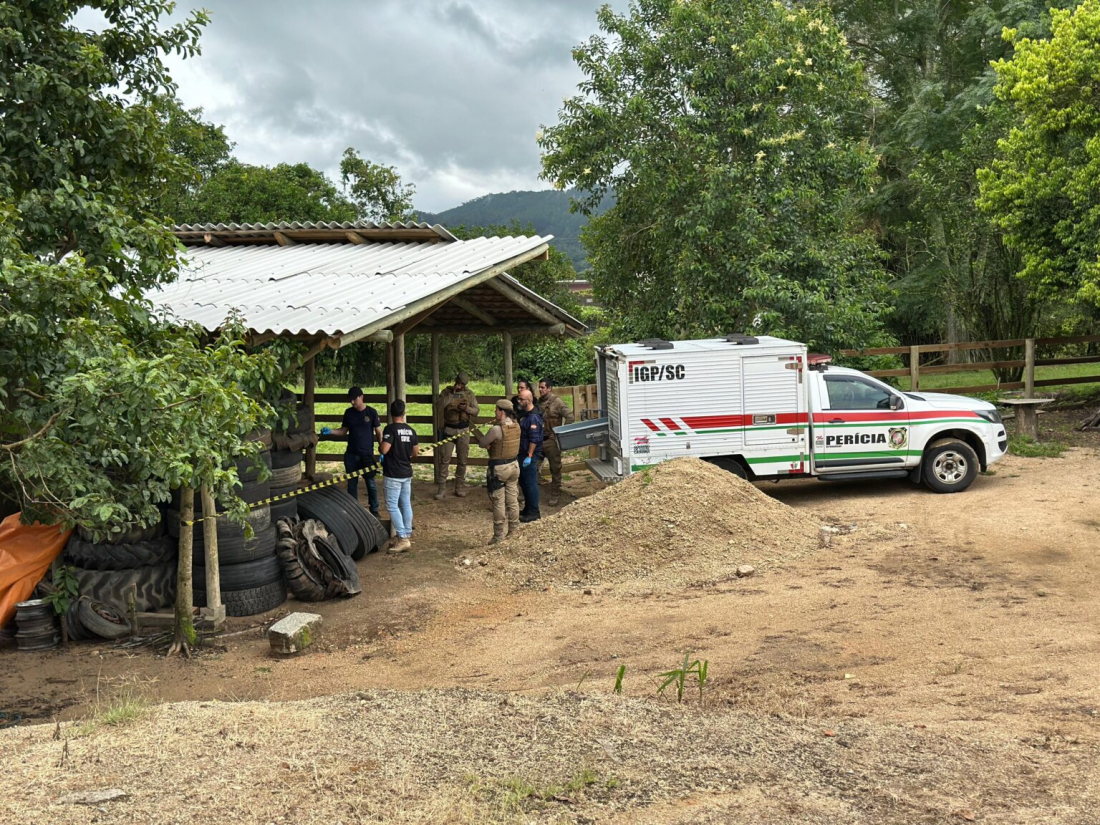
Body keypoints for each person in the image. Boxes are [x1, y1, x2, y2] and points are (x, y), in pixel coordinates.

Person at [321, 387, 381, 517]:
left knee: (371, 484)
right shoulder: (348, 413)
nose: (352, 402)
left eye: (354, 399)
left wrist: (382, 450)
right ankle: (354, 511)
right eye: (350, 400)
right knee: (352, 485)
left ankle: (374, 510)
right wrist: (330, 431)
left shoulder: (371, 413)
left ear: (361, 397)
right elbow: (343, 431)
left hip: (367, 455)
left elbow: (379, 432)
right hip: (352, 454)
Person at [473, 399, 522, 544]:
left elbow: (483, 443)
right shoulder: (516, 426)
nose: (495, 413)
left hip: (500, 467)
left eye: (496, 410)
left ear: (501, 412)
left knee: (498, 501)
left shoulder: (497, 429)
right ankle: (514, 530)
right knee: (513, 500)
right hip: (514, 465)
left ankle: (498, 535)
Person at [380, 399, 419, 553]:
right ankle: (406, 534)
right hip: (406, 472)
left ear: (391, 413)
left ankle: (402, 538)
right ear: (404, 413)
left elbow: (384, 449)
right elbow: (415, 452)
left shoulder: (390, 430)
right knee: (405, 503)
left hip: (393, 474)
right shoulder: (411, 430)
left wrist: (381, 446)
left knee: (392, 505)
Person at [434, 371, 479, 499]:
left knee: (462, 460)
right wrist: (451, 395)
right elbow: (439, 406)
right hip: (449, 430)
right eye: (458, 383)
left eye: (462, 384)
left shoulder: (470, 394)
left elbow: (476, 411)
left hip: (463, 430)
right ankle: (441, 488)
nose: (460, 385)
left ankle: (459, 487)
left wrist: (466, 409)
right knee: (444, 459)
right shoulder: (446, 392)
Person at [537, 378, 575, 507]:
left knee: (555, 469)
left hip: (552, 441)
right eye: (539, 387)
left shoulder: (557, 402)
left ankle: (555, 494)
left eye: (543, 387)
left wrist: (560, 433)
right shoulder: (538, 403)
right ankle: (535, 491)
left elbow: (570, 417)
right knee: (532, 466)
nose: (540, 390)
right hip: (538, 440)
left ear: (549, 388)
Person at [516, 389, 544, 522]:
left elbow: (534, 439)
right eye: (519, 399)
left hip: (529, 455)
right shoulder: (525, 414)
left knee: (530, 483)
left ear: (529, 400)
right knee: (524, 482)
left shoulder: (533, 417)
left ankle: (533, 512)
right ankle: (528, 509)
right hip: (523, 453)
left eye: (521, 399)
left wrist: (530, 455)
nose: (519, 401)